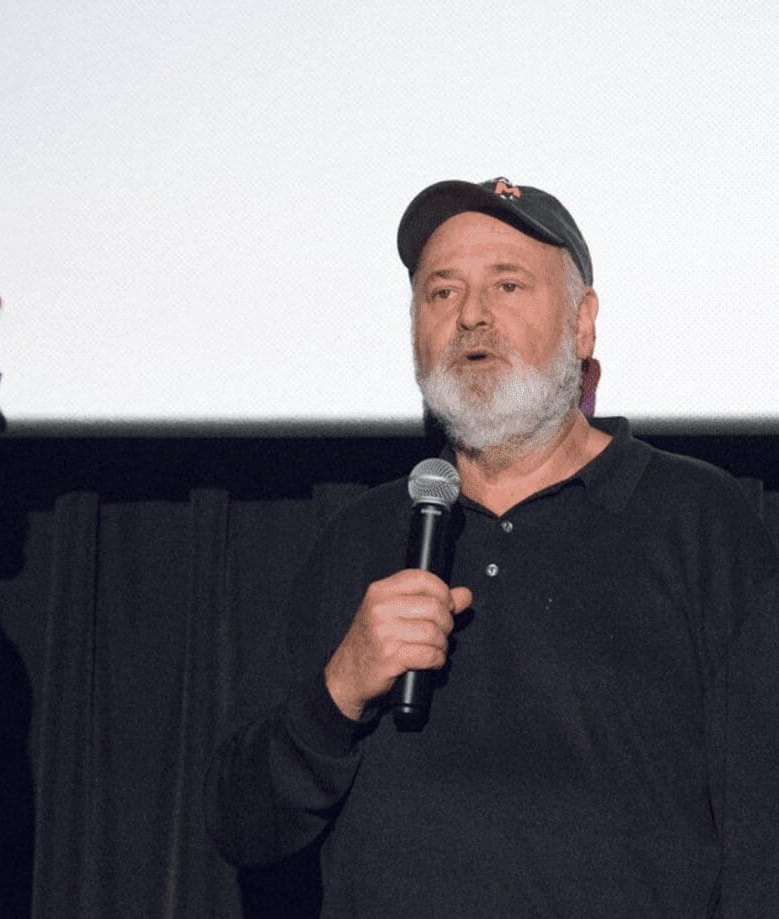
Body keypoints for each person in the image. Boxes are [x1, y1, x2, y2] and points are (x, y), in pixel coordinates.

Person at [206, 177, 779, 916]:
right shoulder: (362, 538)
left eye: (507, 285)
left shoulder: (697, 519)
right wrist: (341, 688)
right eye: (442, 292)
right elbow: (242, 825)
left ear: (582, 323)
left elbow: (763, 822)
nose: (471, 315)